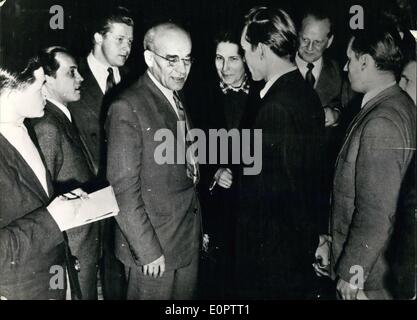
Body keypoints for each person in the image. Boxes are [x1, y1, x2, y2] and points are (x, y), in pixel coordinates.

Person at [317, 25, 415, 300]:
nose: (346, 69)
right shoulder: (398, 103)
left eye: (350, 60)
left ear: (366, 61)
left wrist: (352, 273)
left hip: (369, 282)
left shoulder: (381, 121)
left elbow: (376, 210)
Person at [106, 22, 201, 300]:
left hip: (184, 239)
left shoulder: (174, 94)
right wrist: (147, 252)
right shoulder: (127, 106)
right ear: (149, 58)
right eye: (172, 60)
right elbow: (122, 191)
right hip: (152, 251)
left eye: (187, 59)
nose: (182, 69)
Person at [236, 6, 325, 299]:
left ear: (261, 49)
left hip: (273, 260)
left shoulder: (275, 106)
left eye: (245, 50)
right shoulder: (305, 93)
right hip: (295, 251)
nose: (244, 58)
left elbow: (270, 196)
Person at [0, 60, 82, 300]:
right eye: (40, 86)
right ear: (11, 91)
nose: (46, 91)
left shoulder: (26, 127)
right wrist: (52, 218)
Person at [68, 6, 134, 299]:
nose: (127, 47)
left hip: (127, 192)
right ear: (98, 37)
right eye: (120, 39)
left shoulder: (133, 78)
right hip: (91, 194)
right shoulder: (70, 77)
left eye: (130, 41)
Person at [196, 27, 261, 299]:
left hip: (254, 209)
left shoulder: (264, 94)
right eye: (218, 58)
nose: (224, 67)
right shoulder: (199, 94)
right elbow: (188, 145)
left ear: (246, 58)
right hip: (216, 209)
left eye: (233, 59)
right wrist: (213, 171)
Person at [30, 47, 99, 299]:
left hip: (83, 248)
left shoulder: (63, 117)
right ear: (47, 80)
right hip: (71, 254)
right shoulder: (47, 126)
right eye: (72, 73)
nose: (80, 78)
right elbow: (43, 199)